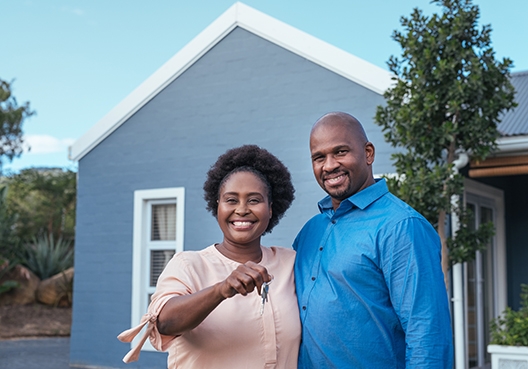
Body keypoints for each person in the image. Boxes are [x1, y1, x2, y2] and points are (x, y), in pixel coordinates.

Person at [293, 112, 453, 368]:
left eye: (341, 152)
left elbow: (427, 334)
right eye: (319, 157)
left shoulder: (402, 226)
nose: (329, 165)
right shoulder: (310, 232)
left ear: (368, 153)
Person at [118, 145, 300, 368]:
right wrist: (220, 290)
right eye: (231, 200)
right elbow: (164, 322)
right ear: (218, 206)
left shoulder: (290, 263)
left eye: (254, 200)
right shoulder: (188, 265)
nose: (242, 209)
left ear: (270, 209)